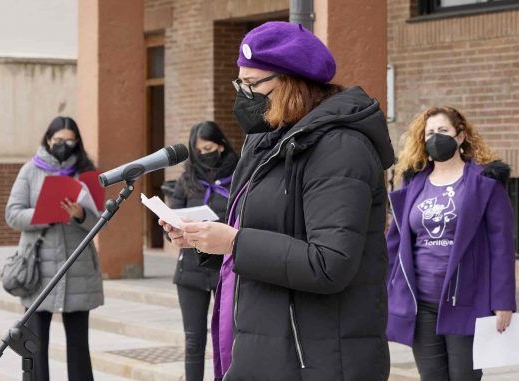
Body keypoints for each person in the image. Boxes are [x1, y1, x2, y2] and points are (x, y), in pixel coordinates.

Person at [161, 21, 395, 381]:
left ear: (292, 82)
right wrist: (204, 239)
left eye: (253, 84)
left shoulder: (340, 148)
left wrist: (235, 242)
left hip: (317, 359)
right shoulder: (265, 141)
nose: (244, 94)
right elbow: (258, 231)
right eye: (241, 83)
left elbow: (329, 263)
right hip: (267, 347)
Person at [386, 106, 516, 381]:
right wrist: (384, 290)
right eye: (430, 132)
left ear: (460, 136)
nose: (435, 137)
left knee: (464, 377)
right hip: (421, 302)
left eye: (442, 131)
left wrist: (503, 301)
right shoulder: (413, 184)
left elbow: (501, 246)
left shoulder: (485, 184)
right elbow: (395, 245)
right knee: (431, 376)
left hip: (466, 298)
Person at [5, 116, 103, 381]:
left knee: (79, 346)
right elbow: (12, 214)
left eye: (69, 140)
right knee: (35, 346)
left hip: (77, 268)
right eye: (58, 140)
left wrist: (81, 214)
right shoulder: (30, 170)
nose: (63, 145)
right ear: (48, 140)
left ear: (78, 142)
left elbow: (100, 221)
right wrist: (42, 215)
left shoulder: (87, 172)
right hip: (39, 269)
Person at [169, 121, 238, 381]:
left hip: (227, 266)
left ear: (220, 145)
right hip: (191, 269)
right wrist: (173, 229)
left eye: (208, 148)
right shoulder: (187, 178)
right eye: (198, 150)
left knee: (229, 339)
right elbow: (174, 214)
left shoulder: (240, 172)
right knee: (194, 341)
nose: (203, 154)